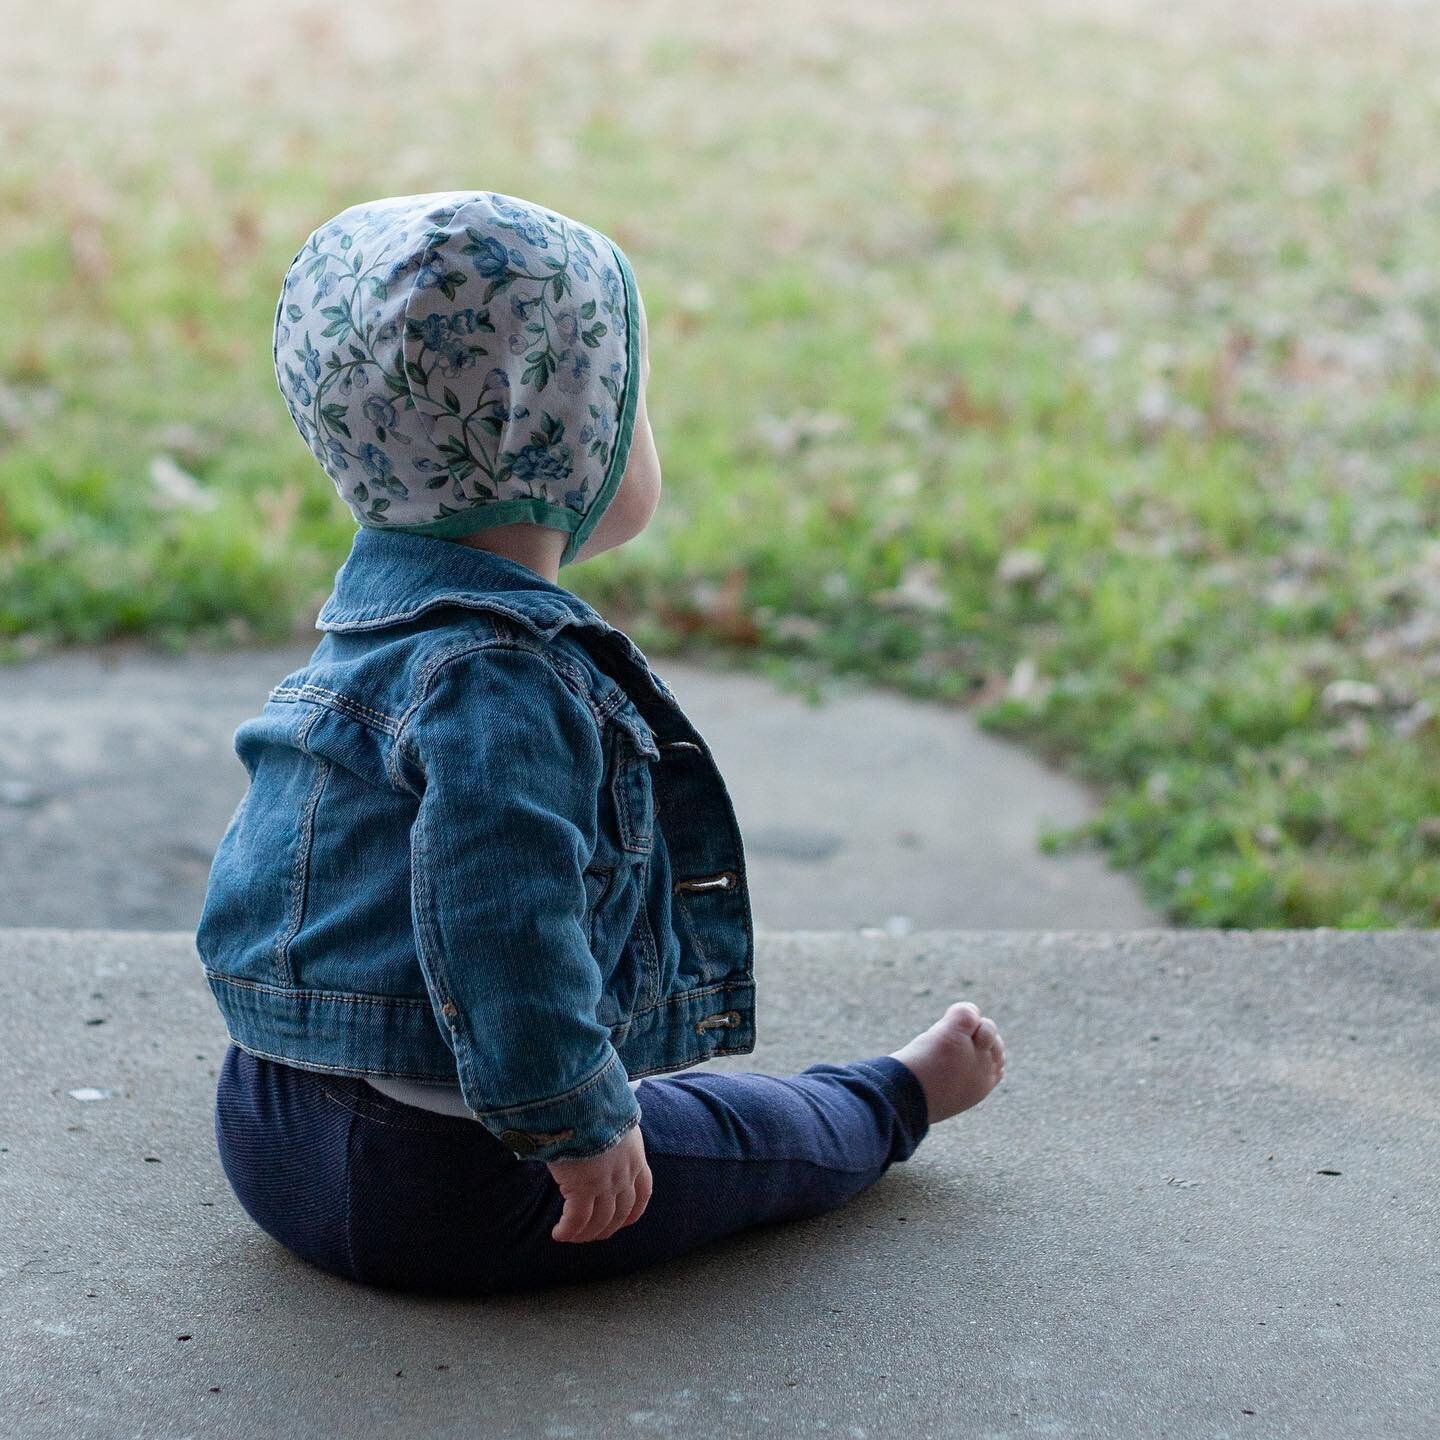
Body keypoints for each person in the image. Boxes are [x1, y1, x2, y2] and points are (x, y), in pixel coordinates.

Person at [197, 190, 1006, 1295]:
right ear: (559, 439)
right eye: (634, 407)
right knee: (743, 1132)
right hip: (458, 1183)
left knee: (645, 1101)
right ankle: (893, 1095)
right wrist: (573, 1118)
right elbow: (500, 918)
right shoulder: (504, 681)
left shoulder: (370, 631)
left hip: (271, 1130)